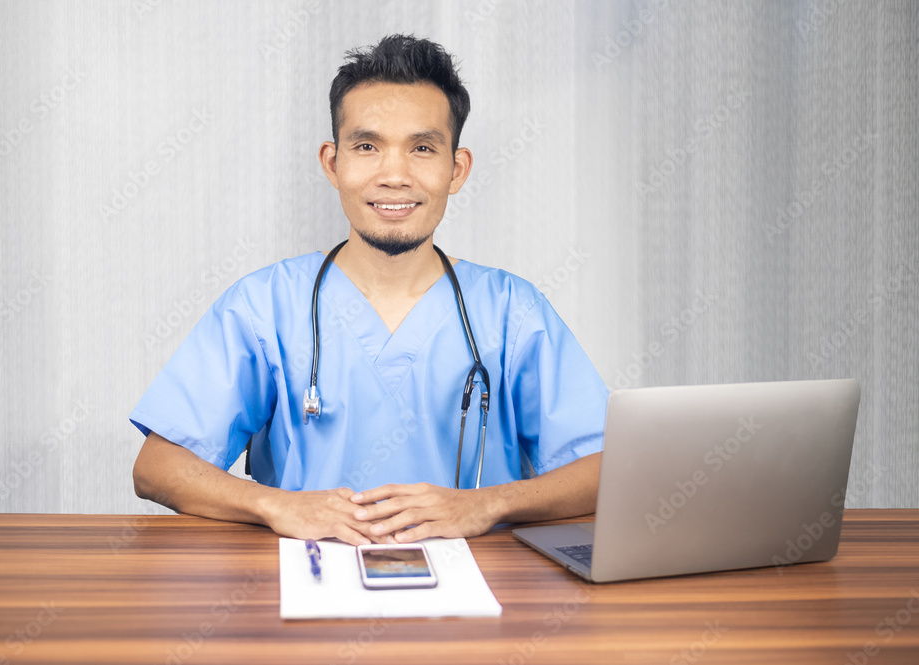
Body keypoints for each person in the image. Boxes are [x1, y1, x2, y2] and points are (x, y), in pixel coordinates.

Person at [131, 34, 608, 546]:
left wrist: (485, 505)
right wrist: (277, 507)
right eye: (367, 146)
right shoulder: (264, 306)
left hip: (481, 595)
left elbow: (605, 471)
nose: (395, 175)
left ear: (457, 168)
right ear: (332, 164)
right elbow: (158, 468)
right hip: (303, 587)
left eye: (422, 148)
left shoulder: (513, 311)